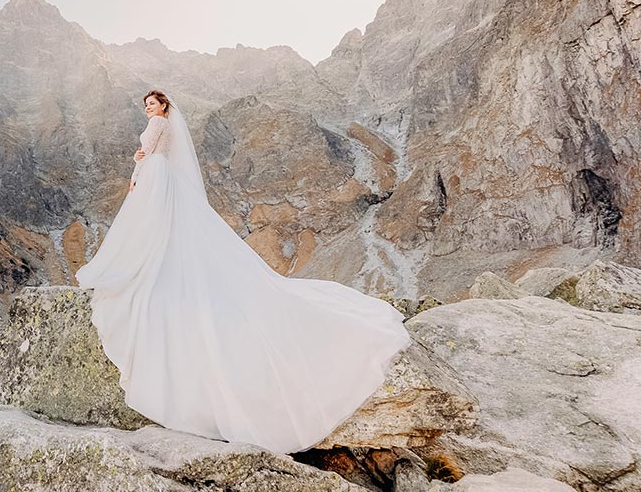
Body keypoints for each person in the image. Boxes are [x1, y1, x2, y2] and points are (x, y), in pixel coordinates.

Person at [75, 89, 413, 454]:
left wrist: (138, 166)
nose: (148, 109)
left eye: (152, 104)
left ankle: (142, 262)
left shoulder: (158, 124)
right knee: (160, 227)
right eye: (146, 105)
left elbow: (151, 152)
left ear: (164, 106)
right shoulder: (165, 125)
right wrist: (141, 157)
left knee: (151, 225)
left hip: (154, 175)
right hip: (161, 175)